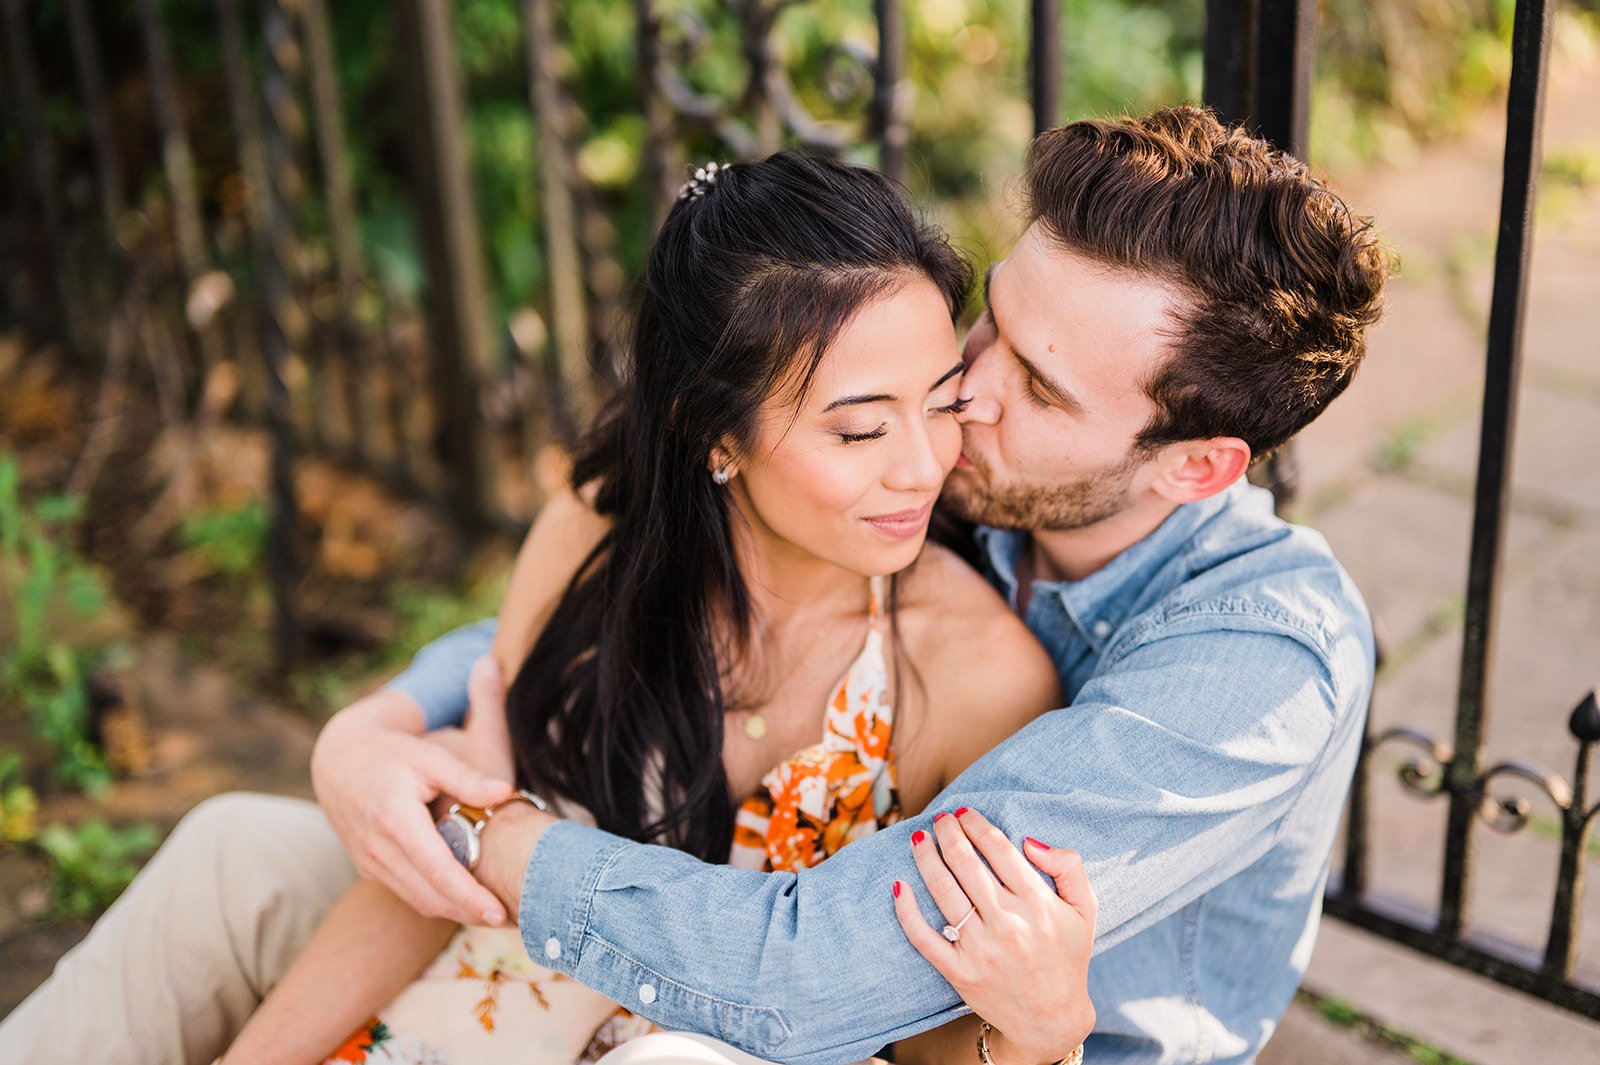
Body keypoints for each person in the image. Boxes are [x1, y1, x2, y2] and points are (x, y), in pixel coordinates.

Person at [2, 105, 1390, 1065]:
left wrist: (478, 827)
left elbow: (828, 972)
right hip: (684, 900)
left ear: (1198, 465)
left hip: (973, 1031)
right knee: (240, 852)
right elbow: (624, 599)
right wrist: (383, 727)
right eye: (993, 325)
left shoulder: (1258, 665)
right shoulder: (956, 474)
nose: (958, 395)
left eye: (1031, 382)